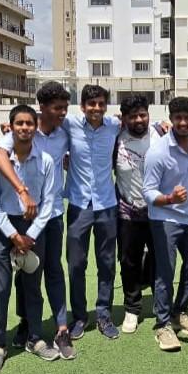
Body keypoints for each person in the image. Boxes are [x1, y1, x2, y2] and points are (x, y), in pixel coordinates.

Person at [0, 81, 75, 359]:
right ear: (43, 108)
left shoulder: (65, 132)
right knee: (25, 272)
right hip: (22, 215)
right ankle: (27, 325)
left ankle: (61, 328)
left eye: (65, 107)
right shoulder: (21, 131)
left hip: (51, 216)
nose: (62, 113)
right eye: (57, 108)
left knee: (52, 269)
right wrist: (22, 191)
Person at [0, 105, 61, 373]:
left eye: (29, 123)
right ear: (11, 126)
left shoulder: (47, 161)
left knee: (32, 286)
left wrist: (30, 235)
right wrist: (14, 235)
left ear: (36, 126)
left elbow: (49, 203)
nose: (25, 128)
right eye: (19, 123)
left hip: (34, 230)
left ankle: (35, 338)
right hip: (3, 227)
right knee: (0, 288)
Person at [143, 96, 188, 351]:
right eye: (177, 117)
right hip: (165, 218)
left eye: (187, 118)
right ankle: (163, 324)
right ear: (171, 118)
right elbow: (147, 191)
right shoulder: (158, 151)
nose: (182, 122)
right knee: (165, 271)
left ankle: (180, 312)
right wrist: (169, 198)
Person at [64, 84, 121, 339]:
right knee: (76, 263)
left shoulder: (114, 126)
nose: (96, 108)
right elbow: (41, 125)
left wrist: (161, 126)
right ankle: (79, 316)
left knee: (107, 263)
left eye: (100, 104)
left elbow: (143, 127)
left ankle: (104, 314)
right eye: (91, 104)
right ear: (83, 106)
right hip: (79, 204)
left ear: (105, 105)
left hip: (107, 204)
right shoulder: (70, 125)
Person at [115, 94, 159, 333]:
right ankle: (132, 309)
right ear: (124, 118)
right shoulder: (116, 139)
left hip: (157, 211)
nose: (139, 119)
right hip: (127, 212)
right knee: (128, 261)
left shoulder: (161, 135)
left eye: (143, 114)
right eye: (133, 116)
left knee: (158, 259)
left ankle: (161, 306)